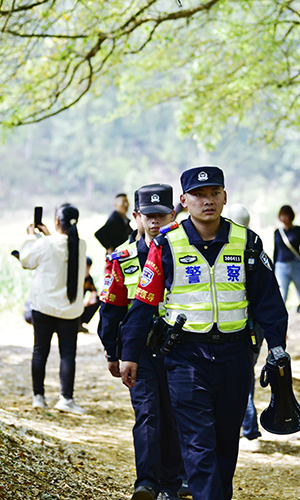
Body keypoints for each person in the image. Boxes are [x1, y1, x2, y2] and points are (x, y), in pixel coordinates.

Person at [119, 166, 289, 500]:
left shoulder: (247, 242)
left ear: (225, 197)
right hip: (185, 358)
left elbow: (269, 301)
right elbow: (144, 301)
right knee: (197, 443)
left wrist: (277, 347)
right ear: (184, 201)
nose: (207, 201)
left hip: (235, 356)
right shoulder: (167, 244)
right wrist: (129, 353)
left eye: (214, 193)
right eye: (198, 195)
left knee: (226, 443)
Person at [98, 184, 185, 500]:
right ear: (136, 216)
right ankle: (146, 483)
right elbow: (111, 309)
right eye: (149, 215)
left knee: (175, 415)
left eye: (161, 215)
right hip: (140, 351)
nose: (155, 221)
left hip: (181, 350)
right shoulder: (122, 258)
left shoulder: (187, 253)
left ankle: (172, 484)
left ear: (173, 214)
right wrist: (113, 352)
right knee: (148, 414)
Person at [20, 203, 87, 414]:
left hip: (44, 308)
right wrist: (48, 235)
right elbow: (62, 250)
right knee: (67, 355)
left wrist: (31, 236)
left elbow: (26, 261)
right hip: (70, 311)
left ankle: (38, 397)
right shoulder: (81, 245)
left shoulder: (44, 244)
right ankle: (66, 398)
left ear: (57, 221)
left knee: (40, 352)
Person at [226, 204, 262, 453]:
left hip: (240, 326)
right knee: (246, 373)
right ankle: (246, 427)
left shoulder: (231, 247)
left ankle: (248, 427)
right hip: (255, 327)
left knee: (241, 377)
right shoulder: (255, 246)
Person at [273, 204, 300, 334]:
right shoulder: (277, 232)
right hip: (281, 267)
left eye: (287, 215)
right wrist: (272, 270)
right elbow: (276, 252)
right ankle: (280, 327)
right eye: (282, 216)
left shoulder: (298, 230)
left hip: (297, 267)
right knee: (281, 297)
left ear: (291, 216)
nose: (284, 218)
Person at [79, 257, 101, 332]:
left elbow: (93, 290)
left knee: (98, 299)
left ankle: (81, 322)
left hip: (82, 304)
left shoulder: (88, 279)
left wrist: (90, 299)